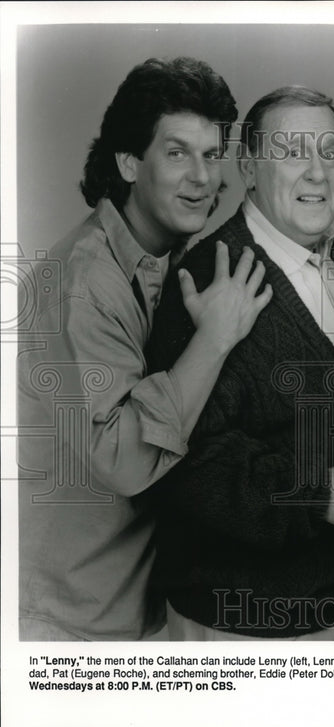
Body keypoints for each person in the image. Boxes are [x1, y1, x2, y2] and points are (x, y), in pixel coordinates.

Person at [18, 57, 271, 641]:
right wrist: (215, 337)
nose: (203, 178)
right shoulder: (83, 283)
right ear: (129, 162)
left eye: (212, 155)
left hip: (139, 611)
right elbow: (124, 459)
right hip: (69, 621)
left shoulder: (175, 262)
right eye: (177, 153)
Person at [144, 86, 334, 641]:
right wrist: (316, 494)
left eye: (330, 152)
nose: (316, 173)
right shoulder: (215, 278)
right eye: (291, 152)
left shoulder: (328, 258)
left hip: (326, 608)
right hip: (247, 628)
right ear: (250, 167)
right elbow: (182, 463)